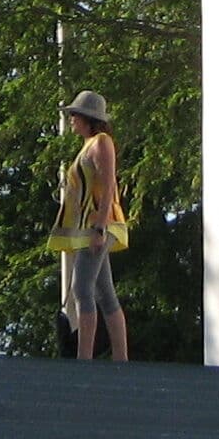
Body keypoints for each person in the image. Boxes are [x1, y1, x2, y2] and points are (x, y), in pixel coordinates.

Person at [49, 90, 128, 362]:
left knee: (81, 287)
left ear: (87, 118)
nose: (71, 119)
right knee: (104, 292)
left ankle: (84, 358)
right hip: (89, 225)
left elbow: (107, 186)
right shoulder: (88, 145)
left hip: (99, 224)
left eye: (74, 115)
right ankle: (120, 357)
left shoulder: (101, 143)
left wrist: (100, 228)